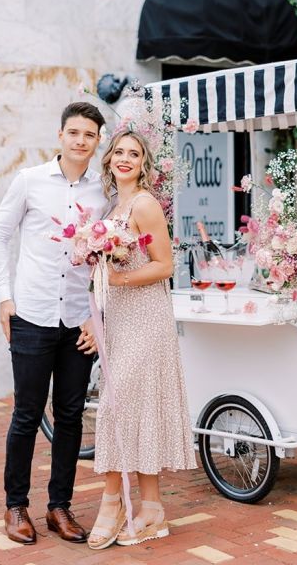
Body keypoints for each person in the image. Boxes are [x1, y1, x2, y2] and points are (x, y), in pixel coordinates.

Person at [0, 102, 107, 545]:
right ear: (60, 135)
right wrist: (4, 296)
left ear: (97, 141)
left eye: (89, 135)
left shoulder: (103, 192)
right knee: (26, 413)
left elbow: (109, 261)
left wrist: (100, 318)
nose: (80, 141)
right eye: (73, 132)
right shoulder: (29, 181)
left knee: (71, 415)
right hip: (32, 315)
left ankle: (60, 507)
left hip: (78, 321)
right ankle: (16, 506)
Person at [87, 128, 196, 551]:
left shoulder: (145, 203)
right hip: (121, 320)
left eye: (134, 153)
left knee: (116, 409)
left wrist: (118, 277)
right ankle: (151, 511)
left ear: (144, 162)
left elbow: (165, 265)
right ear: (110, 159)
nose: (126, 159)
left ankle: (111, 502)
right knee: (139, 410)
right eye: (119, 152)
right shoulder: (115, 204)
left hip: (147, 319)